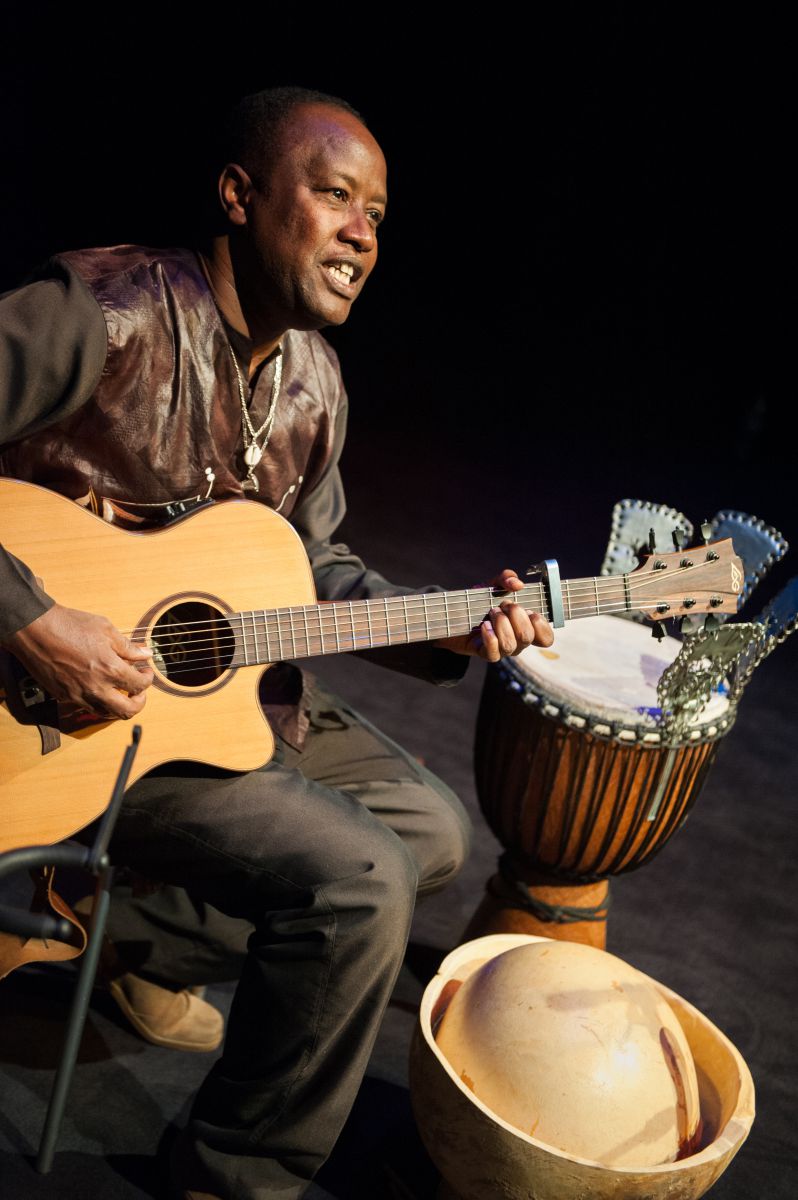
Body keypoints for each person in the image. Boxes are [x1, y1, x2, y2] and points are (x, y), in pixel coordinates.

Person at [0, 87, 552, 1199]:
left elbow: (318, 573)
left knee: (431, 831)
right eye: (336, 196)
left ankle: (115, 932)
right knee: (358, 879)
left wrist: (458, 624)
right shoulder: (98, 309)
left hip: (208, 707)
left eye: (380, 216)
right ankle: (230, 1177)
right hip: (57, 712)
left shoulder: (313, 380)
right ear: (239, 195)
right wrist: (34, 620)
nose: (364, 233)